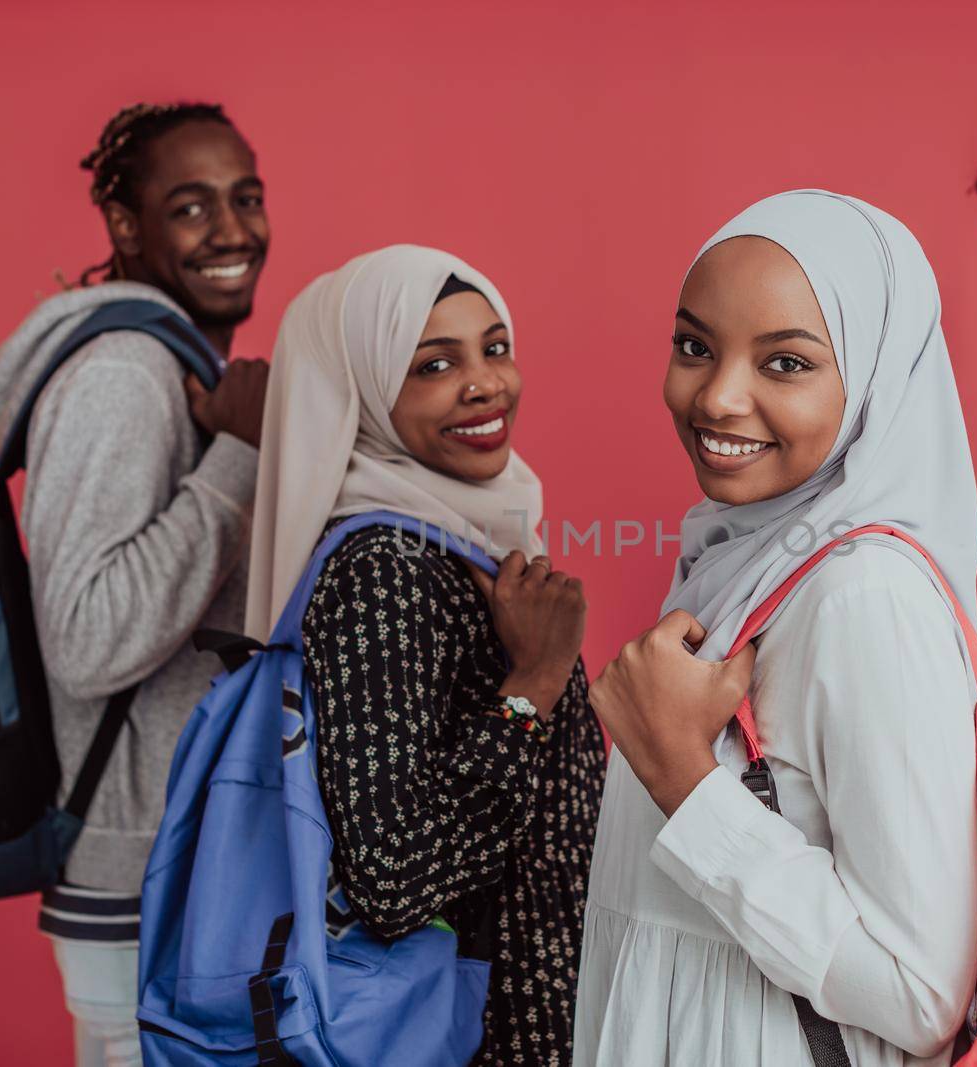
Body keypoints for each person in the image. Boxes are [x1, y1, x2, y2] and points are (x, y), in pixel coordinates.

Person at [576, 190, 977, 1065]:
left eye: (786, 363)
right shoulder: (745, 563)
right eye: (695, 346)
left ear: (873, 378)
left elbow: (923, 992)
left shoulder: (863, 597)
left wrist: (686, 780)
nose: (718, 397)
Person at [244, 245, 606, 1065]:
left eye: (495, 346)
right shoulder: (385, 569)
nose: (485, 383)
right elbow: (394, 878)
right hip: (474, 1030)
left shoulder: (461, 539)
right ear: (364, 392)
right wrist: (535, 684)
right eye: (434, 364)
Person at [0, 101, 271, 1066]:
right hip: (139, 884)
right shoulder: (121, 374)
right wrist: (236, 455)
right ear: (125, 228)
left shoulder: (172, 359)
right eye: (191, 207)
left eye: (246, 197)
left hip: (184, 871)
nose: (232, 231)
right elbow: (88, 636)